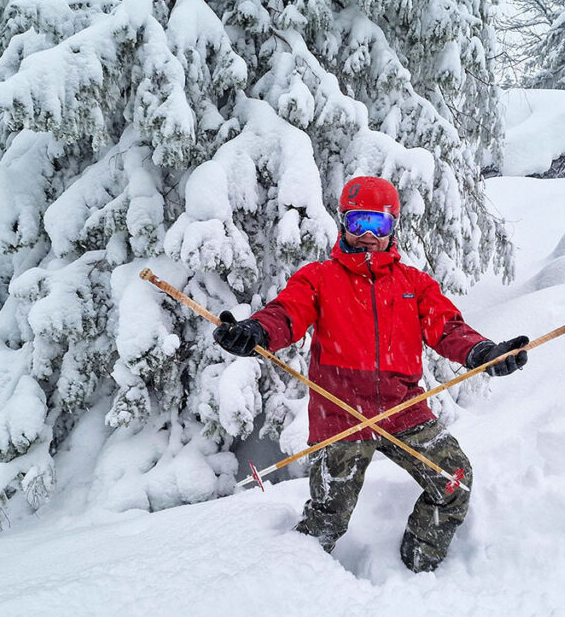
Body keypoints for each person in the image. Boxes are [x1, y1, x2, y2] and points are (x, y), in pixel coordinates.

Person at [213, 176, 528, 573]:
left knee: (454, 480)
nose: (366, 235)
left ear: (392, 227)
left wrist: (484, 353)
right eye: (357, 223)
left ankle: (419, 567)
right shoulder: (319, 278)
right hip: (342, 415)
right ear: (343, 223)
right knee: (329, 516)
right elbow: (286, 313)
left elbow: (448, 329)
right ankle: (294, 582)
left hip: (404, 410)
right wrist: (256, 332)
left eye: (377, 225)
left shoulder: (414, 284)